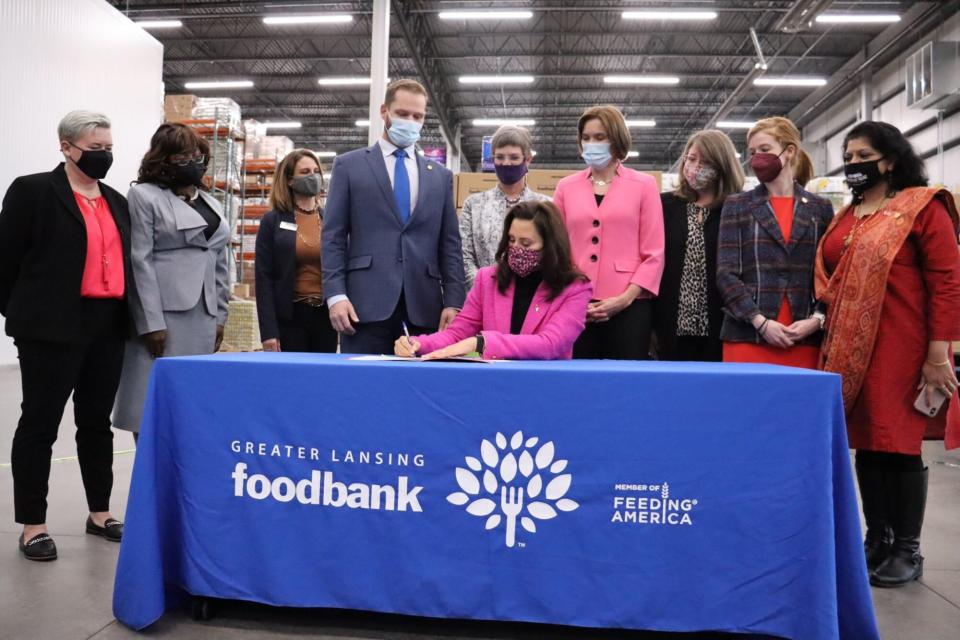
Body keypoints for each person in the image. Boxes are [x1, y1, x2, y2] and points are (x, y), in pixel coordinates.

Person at [815, 121, 960, 587]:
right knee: (866, 445)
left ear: (891, 159)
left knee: (897, 444)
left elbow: (947, 281)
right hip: (849, 348)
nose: (854, 164)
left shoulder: (922, 206)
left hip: (904, 345)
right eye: (848, 156)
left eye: (864, 156)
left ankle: (907, 550)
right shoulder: (848, 215)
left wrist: (939, 353)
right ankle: (876, 538)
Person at [0, 111, 131, 560]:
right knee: (40, 423)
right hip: (50, 328)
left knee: (96, 424)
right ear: (66, 146)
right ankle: (32, 524)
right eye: (96, 148)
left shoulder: (117, 201)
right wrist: (21, 316)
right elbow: (7, 261)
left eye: (108, 146)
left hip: (107, 324)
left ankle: (99, 513)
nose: (105, 155)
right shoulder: (33, 191)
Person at [322, 79, 465, 355]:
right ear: (384, 111)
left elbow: (450, 245)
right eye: (402, 114)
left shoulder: (441, 178)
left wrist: (454, 301)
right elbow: (333, 238)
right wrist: (335, 295)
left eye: (418, 116)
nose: (410, 122)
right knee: (363, 389)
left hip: (424, 308)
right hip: (362, 307)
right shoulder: (349, 167)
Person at [113, 123, 230, 437]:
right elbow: (140, 260)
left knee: (191, 409)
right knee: (150, 405)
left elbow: (219, 262)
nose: (193, 161)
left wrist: (220, 315)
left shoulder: (213, 203)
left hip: (204, 316)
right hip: (163, 318)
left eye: (197, 155)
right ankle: (152, 479)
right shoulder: (143, 196)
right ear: (162, 160)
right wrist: (150, 322)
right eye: (183, 156)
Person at [395, 200, 591, 360]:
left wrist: (482, 342)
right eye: (512, 240)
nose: (516, 248)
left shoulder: (575, 288)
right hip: (494, 384)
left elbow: (550, 344)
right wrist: (418, 344)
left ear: (551, 246)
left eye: (526, 243)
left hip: (545, 388)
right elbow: (456, 334)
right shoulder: (487, 279)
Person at [716, 116, 834, 368]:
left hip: (803, 337)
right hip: (747, 336)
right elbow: (726, 275)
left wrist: (817, 319)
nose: (757, 157)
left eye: (765, 149)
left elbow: (830, 274)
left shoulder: (820, 208)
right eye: (753, 152)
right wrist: (761, 322)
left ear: (789, 151)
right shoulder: (737, 205)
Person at [552, 105, 664, 360]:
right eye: (586, 137)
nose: (592, 143)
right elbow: (556, 248)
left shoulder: (644, 185)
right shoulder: (565, 187)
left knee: (626, 383)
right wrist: (571, 295)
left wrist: (624, 299)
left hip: (630, 306)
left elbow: (654, 253)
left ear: (617, 139)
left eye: (600, 137)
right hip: (575, 305)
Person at [654, 130, 744, 361]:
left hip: (720, 323)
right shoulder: (665, 205)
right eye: (691, 158)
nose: (695, 166)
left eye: (705, 161)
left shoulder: (736, 208)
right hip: (669, 321)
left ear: (721, 165)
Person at [255, 149, 336, 353]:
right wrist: (268, 332)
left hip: (325, 317)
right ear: (290, 180)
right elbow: (263, 279)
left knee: (322, 379)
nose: (313, 176)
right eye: (305, 171)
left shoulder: (330, 220)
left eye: (316, 171)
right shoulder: (272, 221)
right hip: (290, 318)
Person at [460, 125, 550, 290]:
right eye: (499, 157)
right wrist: (485, 289)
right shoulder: (473, 204)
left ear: (528, 159)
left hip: (530, 298)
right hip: (481, 297)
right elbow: (465, 256)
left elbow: (551, 256)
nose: (506, 163)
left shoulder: (545, 206)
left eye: (514, 157)